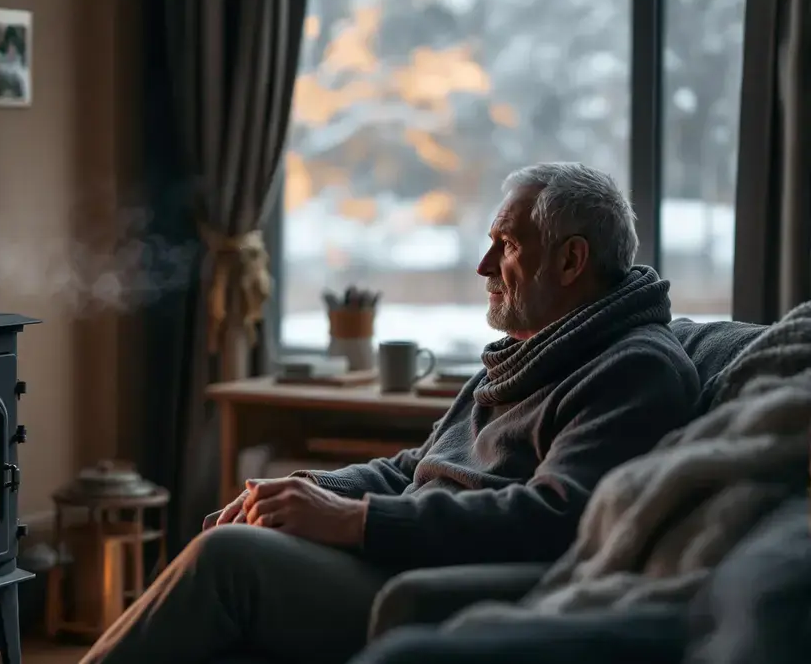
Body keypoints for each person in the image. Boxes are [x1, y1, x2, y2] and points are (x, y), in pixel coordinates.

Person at [80, 163, 701, 664]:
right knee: (240, 531)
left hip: (450, 584)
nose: (484, 266)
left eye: (506, 245)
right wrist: (309, 490)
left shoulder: (633, 368)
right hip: (406, 550)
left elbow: (555, 518)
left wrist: (358, 521)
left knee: (227, 561)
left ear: (571, 261)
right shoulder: (531, 350)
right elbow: (419, 466)